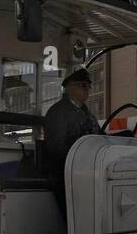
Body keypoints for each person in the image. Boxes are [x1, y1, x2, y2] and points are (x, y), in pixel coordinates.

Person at [42, 68, 101, 211]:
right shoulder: (59, 112)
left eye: (88, 86)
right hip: (65, 175)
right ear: (69, 88)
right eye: (83, 85)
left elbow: (99, 137)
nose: (87, 89)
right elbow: (56, 148)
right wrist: (80, 160)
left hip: (86, 172)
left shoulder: (87, 113)